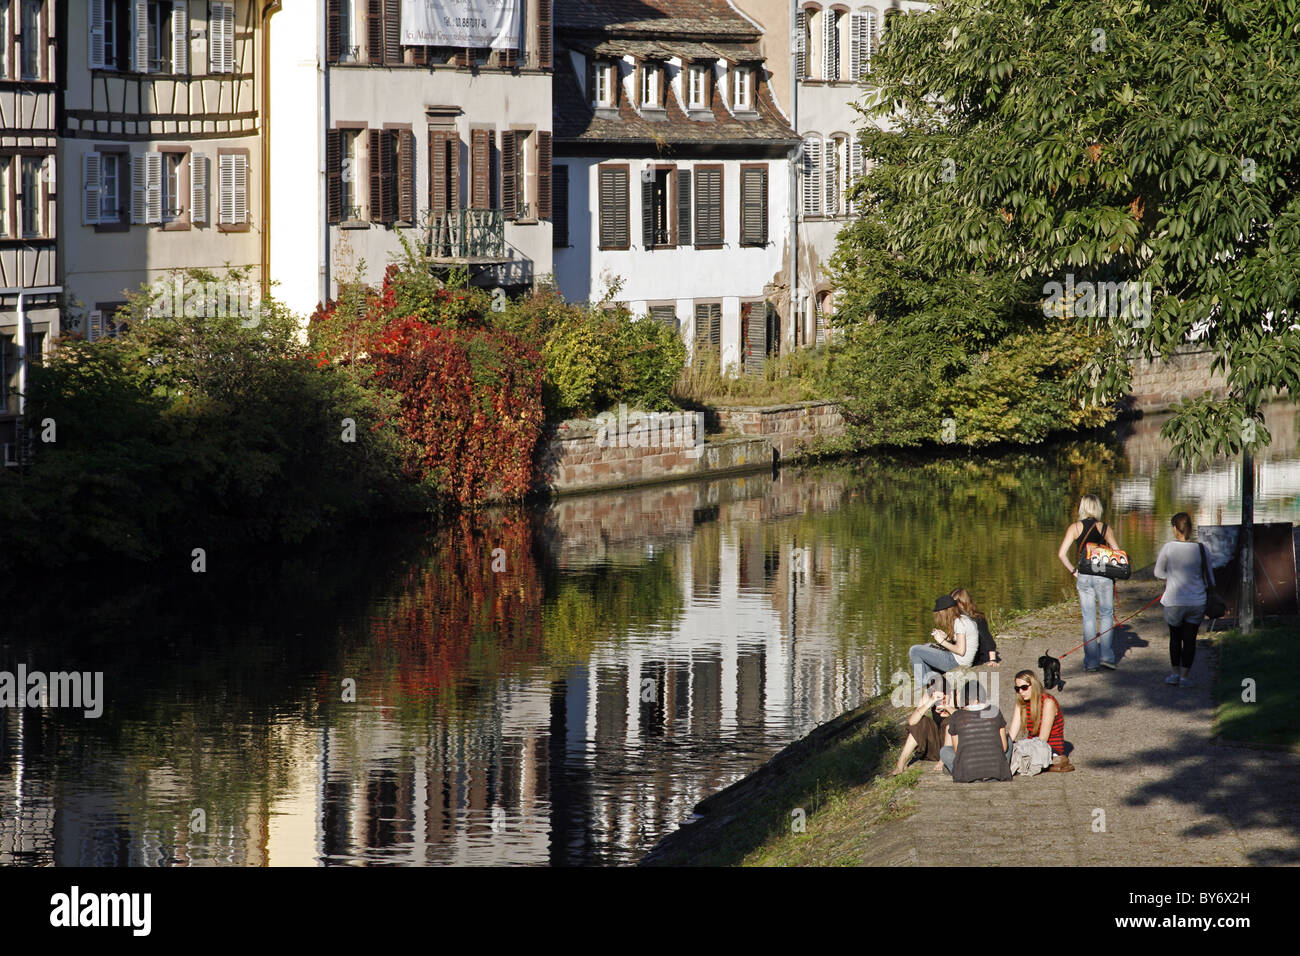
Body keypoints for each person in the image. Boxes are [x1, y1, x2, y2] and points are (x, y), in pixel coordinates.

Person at [1057, 493, 1122, 672]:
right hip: (1103, 576)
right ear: (1098, 508)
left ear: (1083, 507)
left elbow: (1061, 554)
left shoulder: (1075, 527)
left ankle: (1091, 662)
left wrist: (1074, 571)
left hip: (1084, 575)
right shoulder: (1105, 528)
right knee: (1107, 614)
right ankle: (1107, 657)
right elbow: (1117, 553)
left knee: (1088, 618)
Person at [1154, 512, 1214, 687]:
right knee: (1190, 639)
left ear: (1174, 528)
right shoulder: (1202, 549)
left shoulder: (1168, 548)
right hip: (1197, 601)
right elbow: (1210, 577)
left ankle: (1174, 674)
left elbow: (1158, 573)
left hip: (1174, 600)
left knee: (1175, 638)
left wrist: (1171, 577)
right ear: (1190, 527)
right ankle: (1185, 677)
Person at [940, 678, 1012, 782]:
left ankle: (971, 774)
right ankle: (992, 772)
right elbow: (1004, 747)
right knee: (1008, 740)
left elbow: (957, 751)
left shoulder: (956, 716)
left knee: (945, 751)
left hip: (967, 774)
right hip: (996, 772)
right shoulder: (995, 711)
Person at [1007, 669, 1074, 771]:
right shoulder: (1021, 704)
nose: (1021, 692)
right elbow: (1012, 734)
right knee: (1009, 752)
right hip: (1033, 743)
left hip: (1049, 746)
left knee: (1018, 757)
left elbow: (1043, 739)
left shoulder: (1048, 702)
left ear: (1033, 685)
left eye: (1024, 688)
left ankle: (1052, 760)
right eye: (1017, 688)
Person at [908, 595, 979, 688]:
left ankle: (922, 686)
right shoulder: (964, 619)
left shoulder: (960, 623)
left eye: (939, 613)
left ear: (946, 611)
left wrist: (942, 642)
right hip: (959, 660)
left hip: (956, 662)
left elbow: (961, 651)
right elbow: (962, 642)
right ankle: (929, 682)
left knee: (914, 650)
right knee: (927, 646)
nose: (939, 616)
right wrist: (947, 638)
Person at [891, 685, 956, 775]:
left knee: (950, 721)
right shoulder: (929, 696)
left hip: (952, 747)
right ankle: (901, 764)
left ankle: (943, 760)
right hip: (935, 745)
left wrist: (947, 706)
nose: (940, 698)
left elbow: (964, 718)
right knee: (921, 721)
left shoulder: (955, 696)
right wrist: (930, 701)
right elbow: (912, 722)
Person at [951, 587, 999, 666]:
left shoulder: (977, 619)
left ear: (962, 603)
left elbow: (988, 639)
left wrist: (992, 659)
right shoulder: (958, 618)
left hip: (973, 656)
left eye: (953, 604)